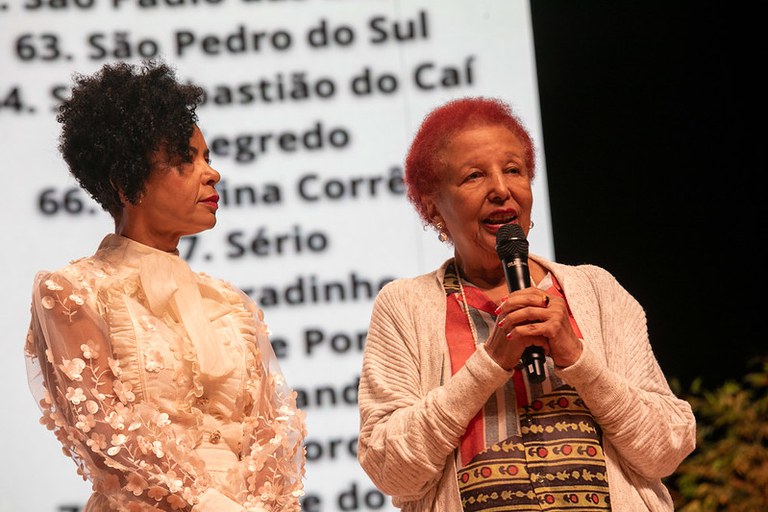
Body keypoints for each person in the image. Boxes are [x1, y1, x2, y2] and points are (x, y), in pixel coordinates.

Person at [357, 97, 695, 511]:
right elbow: (390, 469)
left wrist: (577, 357)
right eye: (474, 175)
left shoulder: (596, 290)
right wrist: (490, 364)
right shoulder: (405, 306)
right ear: (433, 207)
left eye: (513, 170)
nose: (501, 189)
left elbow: (666, 448)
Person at [24, 61, 306, 512]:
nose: (211, 173)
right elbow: (104, 432)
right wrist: (213, 507)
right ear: (126, 183)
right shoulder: (73, 290)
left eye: (207, 157)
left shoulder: (230, 303)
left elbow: (272, 431)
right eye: (185, 160)